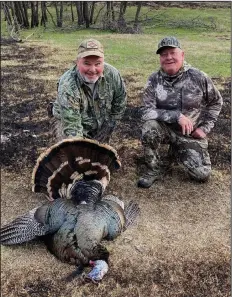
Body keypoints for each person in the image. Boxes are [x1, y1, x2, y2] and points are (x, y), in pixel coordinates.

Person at [138, 36, 223, 188]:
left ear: (182, 55)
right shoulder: (153, 80)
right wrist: (176, 116)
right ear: (160, 58)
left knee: (202, 175)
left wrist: (204, 128)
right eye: (164, 54)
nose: (168, 57)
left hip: (189, 134)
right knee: (149, 126)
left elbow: (216, 102)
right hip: (163, 130)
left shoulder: (198, 77)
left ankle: (176, 151)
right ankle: (153, 169)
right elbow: (145, 112)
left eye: (172, 53)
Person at [50, 38, 127, 143]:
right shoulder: (67, 85)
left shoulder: (113, 75)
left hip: (100, 120)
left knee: (104, 153)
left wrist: (109, 126)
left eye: (98, 64)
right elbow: (73, 128)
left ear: (103, 62)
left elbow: (120, 102)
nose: (92, 69)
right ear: (77, 62)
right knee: (72, 150)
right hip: (69, 121)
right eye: (87, 63)